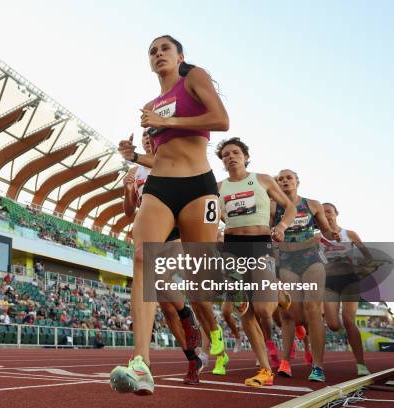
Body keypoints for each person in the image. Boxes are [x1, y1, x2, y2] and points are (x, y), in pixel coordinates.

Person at [111, 34, 229, 396]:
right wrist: (133, 156)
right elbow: (163, 156)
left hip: (198, 186)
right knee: (144, 258)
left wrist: (170, 121)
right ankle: (141, 363)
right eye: (152, 51)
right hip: (161, 187)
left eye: (165, 49)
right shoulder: (151, 104)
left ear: (180, 55)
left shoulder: (194, 78)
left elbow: (221, 121)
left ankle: (217, 323)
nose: (158, 54)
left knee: (199, 279)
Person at [122, 130, 204, 384]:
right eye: (145, 138)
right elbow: (128, 212)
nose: (149, 140)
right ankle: (192, 356)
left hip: (174, 229)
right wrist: (127, 189)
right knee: (166, 305)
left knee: (157, 279)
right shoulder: (136, 173)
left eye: (153, 137)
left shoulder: (172, 161)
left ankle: (186, 314)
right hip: (147, 225)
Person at [215, 137, 296, 386]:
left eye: (236, 152)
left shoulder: (262, 180)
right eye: (226, 154)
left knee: (263, 310)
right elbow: (211, 216)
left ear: (246, 157)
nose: (231, 157)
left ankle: (280, 296)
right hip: (231, 249)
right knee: (244, 310)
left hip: (260, 243)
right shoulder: (218, 187)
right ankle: (264, 370)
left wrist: (282, 225)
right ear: (222, 161)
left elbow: (289, 207)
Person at [273, 169, 340, 382]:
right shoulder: (273, 207)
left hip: (312, 261)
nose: (284, 181)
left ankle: (318, 366)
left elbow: (326, 231)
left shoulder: (312, 204)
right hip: (287, 263)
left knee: (313, 310)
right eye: (280, 179)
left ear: (297, 181)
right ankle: (290, 355)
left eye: (288, 177)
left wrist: (332, 234)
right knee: (294, 314)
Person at [320, 202, 371, 376]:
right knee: (333, 325)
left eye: (329, 211)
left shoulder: (349, 234)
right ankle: (346, 330)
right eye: (322, 212)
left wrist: (361, 267)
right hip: (329, 282)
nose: (326, 215)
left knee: (349, 320)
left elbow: (368, 258)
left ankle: (361, 364)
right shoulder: (316, 238)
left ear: (336, 214)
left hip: (350, 280)